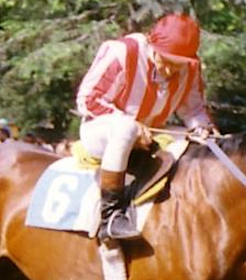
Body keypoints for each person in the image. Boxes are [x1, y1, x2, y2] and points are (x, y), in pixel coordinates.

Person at [76, 13, 218, 242]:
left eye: (178, 65)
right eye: (166, 61)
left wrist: (206, 132)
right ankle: (110, 215)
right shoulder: (122, 52)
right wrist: (130, 124)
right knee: (126, 130)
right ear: (152, 45)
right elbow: (87, 99)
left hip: (150, 133)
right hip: (102, 130)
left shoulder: (191, 67)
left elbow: (193, 111)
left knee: (199, 143)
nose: (170, 71)